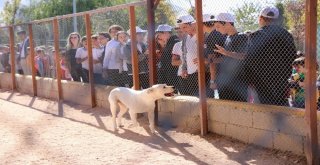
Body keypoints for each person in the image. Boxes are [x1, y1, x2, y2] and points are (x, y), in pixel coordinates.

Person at [245, 6, 297, 106]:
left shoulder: (255, 36)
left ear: (260, 18)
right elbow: (292, 57)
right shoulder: (286, 35)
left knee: (262, 110)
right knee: (281, 107)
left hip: (260, 82)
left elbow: (249, 60)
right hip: (281, 80)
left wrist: (249, 81)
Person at [213, 12, 248, 102]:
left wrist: (226, 53)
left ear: (228, 23)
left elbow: (244, 56)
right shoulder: (227, 38)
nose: (216, 30)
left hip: (238, 83)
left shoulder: (242, 37)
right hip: (226, 83)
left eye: (218, 26)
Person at [202, 14, 226, 98]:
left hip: (220, 75)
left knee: (224, 100)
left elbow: (212, 61)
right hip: (231, 72)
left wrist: (212, 80)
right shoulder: (221, 32)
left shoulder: (211, 37)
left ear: (203, 24)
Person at [174, 14, 198, 96]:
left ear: (192, 24)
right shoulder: (185, 38)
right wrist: (184, 68)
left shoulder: (201, 35)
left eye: (184, 27)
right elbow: (184, 55)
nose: (183, 30)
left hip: (200, 73)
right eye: (181, 28)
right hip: (189, 73)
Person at [155, 24, 180, 91]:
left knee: (172, 90)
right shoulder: (166, 42)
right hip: (165, 71)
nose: (158, 35)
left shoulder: (174, 40)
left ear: (166, 33)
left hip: (172, 71)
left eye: (159, 33)